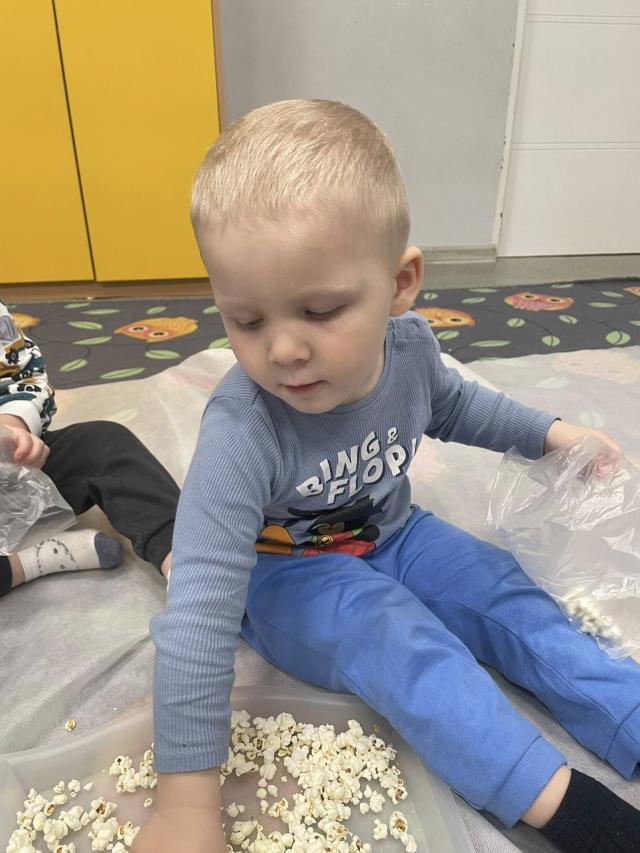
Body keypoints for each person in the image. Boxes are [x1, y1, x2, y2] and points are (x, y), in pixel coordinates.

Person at [134, 100, 640, 853]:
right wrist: (184, 805)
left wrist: (552, 435)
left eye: (320, 310)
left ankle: (629, 714)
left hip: (396, 534)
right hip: (287, 574)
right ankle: (568, 807)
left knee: (505, 591)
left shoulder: (409, 352)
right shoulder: (241, 431)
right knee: (398, 638)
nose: (283, 350)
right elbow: (197, 618)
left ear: (401, 284)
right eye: (247, 320)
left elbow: (460, 405)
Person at [0, 301, 177, 594]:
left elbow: (20, 376)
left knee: (102, 443)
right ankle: (29, 562)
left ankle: (183, 559)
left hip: (15, 480)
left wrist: (13, 425)